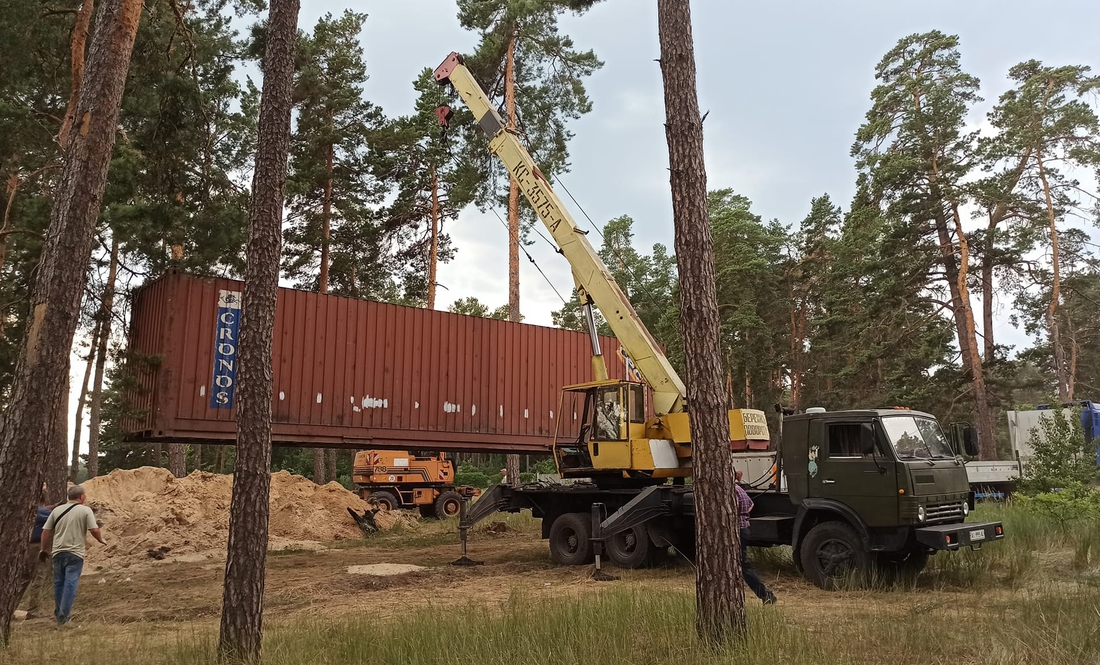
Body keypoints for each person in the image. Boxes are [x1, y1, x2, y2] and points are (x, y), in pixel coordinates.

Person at [39, 485, 106, 628]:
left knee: (59, 583)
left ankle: (59, 614)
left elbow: (45, 531)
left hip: (57, 552)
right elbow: (94, 529)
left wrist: (43, 549)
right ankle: (64, 618)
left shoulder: (57, 510)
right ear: (81, 497)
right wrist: (101, 540)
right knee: (70, 583)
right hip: (75, 553)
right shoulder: (85, 510)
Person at [735, 469, 777, 605]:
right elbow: (751, 504)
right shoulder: (739, 489)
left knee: (743, 566)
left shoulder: (731, 491)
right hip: (745, 528)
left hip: (738, 531)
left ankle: (766, 595)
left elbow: (731, 509)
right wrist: (743, 515)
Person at [14, 493, 54, 619]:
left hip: (25, 547)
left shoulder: (25, 511)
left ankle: (9, 608)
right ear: (44, 498)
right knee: (38, 578)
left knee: (23, 579)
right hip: (39, 547)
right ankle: (33, 610)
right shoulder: (45, 513)